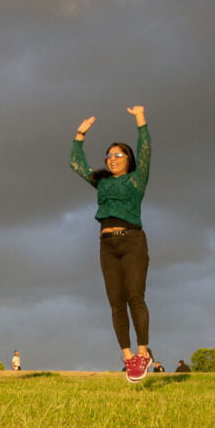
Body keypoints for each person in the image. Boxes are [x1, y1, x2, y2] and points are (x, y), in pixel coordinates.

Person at [71, 106, 153, 383]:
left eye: (118, 154)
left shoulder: (136, 179)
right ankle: (128, 357)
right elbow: (76, 164)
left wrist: (140, 120)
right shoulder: (102, 182)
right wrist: (80, 135)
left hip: (132, 241)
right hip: (106, 244)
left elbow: (145, 151)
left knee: (134, 297)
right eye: (108, 155)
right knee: (115, 303)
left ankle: (143, 352)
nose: (112, 158)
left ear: (128, 159)